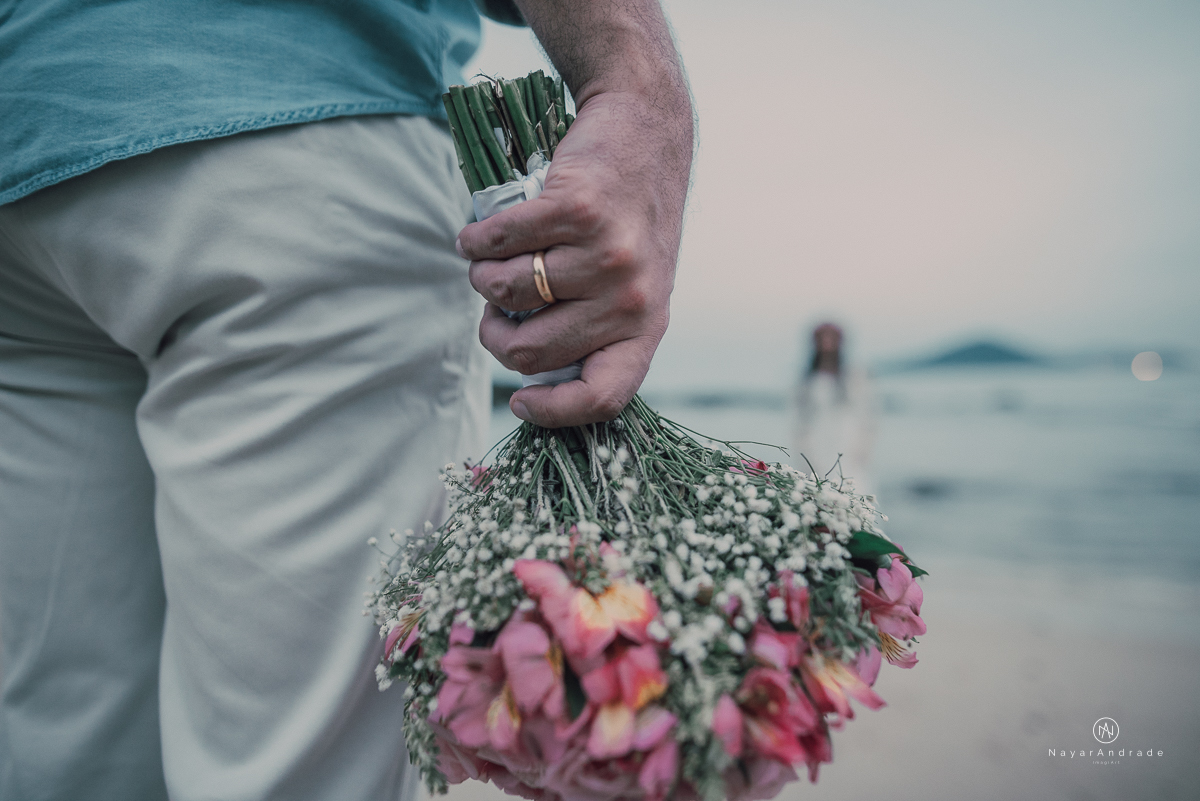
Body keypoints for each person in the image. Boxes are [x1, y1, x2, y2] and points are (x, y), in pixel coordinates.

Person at [0, 1, 693, 799]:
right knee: (295, 773)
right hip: (294, 134)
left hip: (30, 152)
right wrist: (635, 83)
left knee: (69, 748)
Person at [791, 323, 877, 495]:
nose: (827, 344)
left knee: (853, 488)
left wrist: (864, 448)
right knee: (817, 488)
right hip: (817, 440)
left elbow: (868, 414)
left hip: (848, 440)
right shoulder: (807, 379)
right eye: (823, 339)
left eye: (832, 339)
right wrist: (802, 449)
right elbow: (798, 417)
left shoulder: (855, 374)